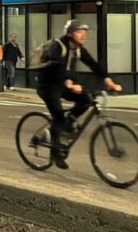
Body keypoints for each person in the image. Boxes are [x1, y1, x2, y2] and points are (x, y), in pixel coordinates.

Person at [37, 20, 122, 168]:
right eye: (79, 32)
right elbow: (56, 68)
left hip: (64, 84)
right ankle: (55, 152)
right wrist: (69, 83)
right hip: (48, 85)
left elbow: (94, 65)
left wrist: (110, 83)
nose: (83, 35)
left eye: (84, 32)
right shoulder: (58, 46)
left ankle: (67, 124)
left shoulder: (78, 49)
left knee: (86, 99)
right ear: (70, 34)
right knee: (58, 116)